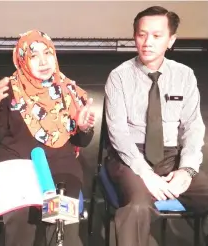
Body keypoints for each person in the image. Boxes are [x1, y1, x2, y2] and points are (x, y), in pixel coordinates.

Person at [0, 30, 95, 246]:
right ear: (22, 59)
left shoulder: (68, 91)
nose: (43, 62)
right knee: (22, 219)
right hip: (15, 165)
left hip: (61, 166)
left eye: (47, 53)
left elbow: (82, 142)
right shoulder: (8, 91)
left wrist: (83, 128)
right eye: (34, 56)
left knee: (62, 220)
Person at [105, 6, 208, 246]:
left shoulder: (184, 75)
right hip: (130, 157)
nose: (147, 42)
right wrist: (145, 174)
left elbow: (193, 127)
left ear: (171, 40)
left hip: (172, 156)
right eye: (142, 35)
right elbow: (118, 133)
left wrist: (187, 170)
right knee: (138, 207)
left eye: (156, 36)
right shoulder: (119, 76)